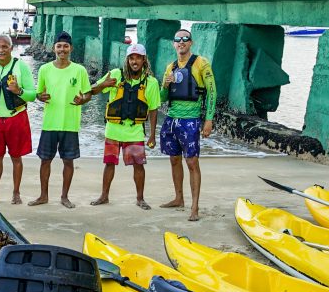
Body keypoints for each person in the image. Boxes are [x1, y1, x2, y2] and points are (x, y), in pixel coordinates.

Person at [88, 43, 159, 208]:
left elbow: (154, 109)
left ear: (144, 60)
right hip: (113, 129)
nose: (135, 62)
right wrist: (104, 85)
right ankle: (104, 196)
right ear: (127, 60)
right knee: (109, 163)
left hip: (134, 131)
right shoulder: (115, 75)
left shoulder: (151, 82)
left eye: (138, 58)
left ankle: (140, 198)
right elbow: (91, 90)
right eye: (131, 58)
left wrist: (152, 135)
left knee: (138, 165)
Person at [159, 29, 217, 222]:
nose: (181, 42)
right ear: (173, 44)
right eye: (178, 39)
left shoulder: (202, 63)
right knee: (174, 160)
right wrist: (165, 86)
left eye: (185, 39)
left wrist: (208, 119)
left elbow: (212, 92)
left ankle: (194, 207)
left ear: (191, 42)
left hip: (190, 120)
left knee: (192, 162)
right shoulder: (170, 67)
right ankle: (178, 198)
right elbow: (162, 99)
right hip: (171, 119)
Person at [29, 31, 91, 208]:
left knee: (68, 161)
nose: (62, 49)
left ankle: (64, 197)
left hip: (70, 123)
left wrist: (82, 100)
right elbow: (39, 94)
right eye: (59, 46)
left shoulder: (79, 70)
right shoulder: (44, 69)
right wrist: (41, 97)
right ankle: (43, 196)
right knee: (45, 160)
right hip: (50, 123)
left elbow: (87, 94)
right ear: (53, 47)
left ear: (70, 48)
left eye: (65, 46)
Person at [0, 34, 36, 205]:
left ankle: (16, 193)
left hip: (16, 117)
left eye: (4, 46)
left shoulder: (21, 66)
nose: (1, 50)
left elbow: (32, 95)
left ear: (11, 47)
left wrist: (18, 91)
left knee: (16, 157)